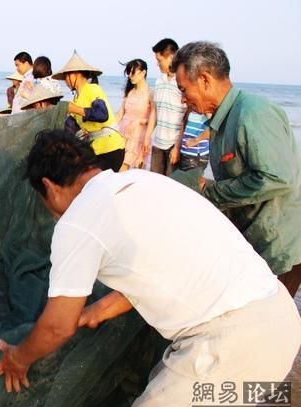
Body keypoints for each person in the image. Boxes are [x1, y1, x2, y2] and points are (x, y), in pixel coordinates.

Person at [0, 129, 301, 407]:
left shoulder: (78, 220)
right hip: (281, 327)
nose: (52, 213)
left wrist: (19, 357)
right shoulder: (147, 182)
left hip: (229, 345)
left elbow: (57, 327)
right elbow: (164, 263)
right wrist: (99, 309)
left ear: (50, 186)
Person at [172, 41, 301, 298]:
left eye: (184, 90)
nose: (183, 100)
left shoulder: (253, 113)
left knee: (271, 326)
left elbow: (277, 177)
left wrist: (211, 191)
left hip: (280, 246)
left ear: (205, 79)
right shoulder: (222, 120)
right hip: (254, 241)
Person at [51, 51, 126, 171]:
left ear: (75, 74)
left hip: (110, 148)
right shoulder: (76, 99)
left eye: (66, 77)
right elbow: (70, 128)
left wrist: (75, 109)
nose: (65, 81)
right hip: (96, 150)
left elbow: (102, 114)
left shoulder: (92, 89)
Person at [146, 38, 186, 176]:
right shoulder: (159, 82)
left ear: (171, 57)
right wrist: (147, 137)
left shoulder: (182, 83)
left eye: (159, 60)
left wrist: (177, 147)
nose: (157, 64)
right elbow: (154, 112)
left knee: (170, 185)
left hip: (173, 144)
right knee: (154, 182)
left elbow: (185, 118)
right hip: (157, 143)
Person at [116, 59, 154, 171]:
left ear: (143, 73)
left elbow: (155, 119)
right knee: (119, 168)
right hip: (123, 135)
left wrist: (140, 121)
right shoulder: (130, 92)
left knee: (125, 169)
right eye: (128, 73)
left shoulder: (150, 93)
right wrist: (108, 128)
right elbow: (120, 114)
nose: (130, 76)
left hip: (139, 137)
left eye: (133, 72)